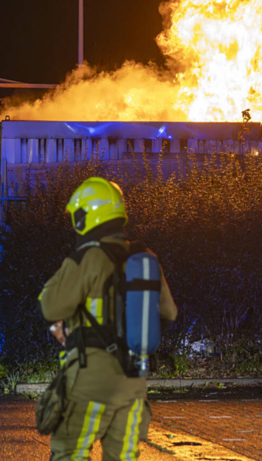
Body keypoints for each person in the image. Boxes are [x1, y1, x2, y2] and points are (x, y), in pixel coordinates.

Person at [39, 176, 178, 461]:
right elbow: (169, 313)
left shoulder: (87, 257)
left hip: (91, 377)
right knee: (123, 456)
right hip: (133, 382)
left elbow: (51, 307)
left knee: (70, 452)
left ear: (88, 215)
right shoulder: (144, 257)